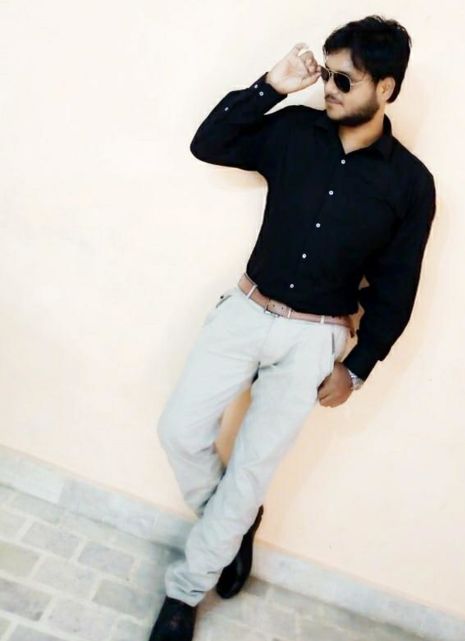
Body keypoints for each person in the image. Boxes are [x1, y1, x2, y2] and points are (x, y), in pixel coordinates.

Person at [148, 14, 437, 641]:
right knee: (179, 431)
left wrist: (358, 367)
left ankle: (184, 593)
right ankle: (234, 524)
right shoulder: (295, 129)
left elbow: (399, 286)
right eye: (327, 73)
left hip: (315, 340)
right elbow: (209, 143)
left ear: (385, 88)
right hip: (246, 310)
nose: (328, 87)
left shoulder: (411, 185)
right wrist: (271, 86)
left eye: (344, 79)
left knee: (251, 472)